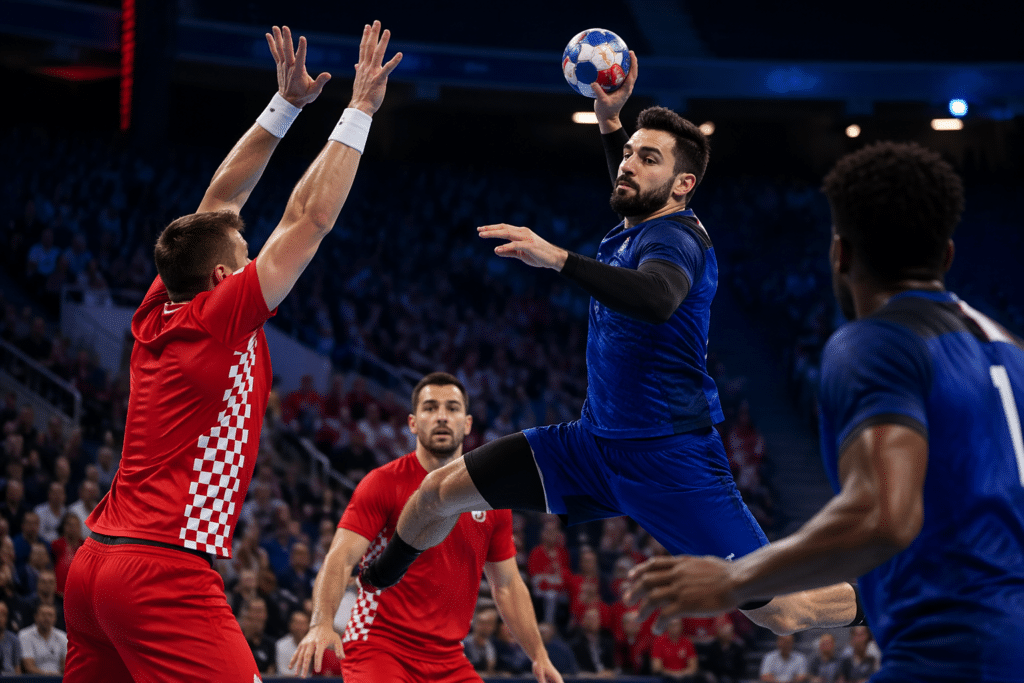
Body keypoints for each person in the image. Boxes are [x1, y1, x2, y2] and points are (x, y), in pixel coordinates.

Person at [361, 52, 856, 638]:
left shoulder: (676, 240)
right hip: (591, 446)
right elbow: (628, 187)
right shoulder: (639, 219)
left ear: (683, 185)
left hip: (671, 462)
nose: (628, 166)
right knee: (438, 491)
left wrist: (558, 258)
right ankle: (376, 583)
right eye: (628, 155)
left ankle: (892, 591)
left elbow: (657, 299)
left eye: (649, 159)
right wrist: (609, 123)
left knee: (782, 614)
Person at [62, 22, 402, 683]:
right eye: (244, 254)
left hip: (93, 566)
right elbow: (308, 219)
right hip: (162, 572)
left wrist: (286, 106)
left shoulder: (160, 304)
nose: (251, 253)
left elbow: (220, 201)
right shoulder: (223, 315)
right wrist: (358, 108)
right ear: (224, 280)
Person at [623, 141, 1024, 682]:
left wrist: (735, 580)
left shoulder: (875, 342)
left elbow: (882, 516)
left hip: (951, 657)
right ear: (947, 255)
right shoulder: (1010, 349)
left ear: (841, 254)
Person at [290, 372, 562, 682]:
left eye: (453, 408)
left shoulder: (491, 501)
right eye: (430, 408)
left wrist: (539, 655)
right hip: (379, 647)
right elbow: (340, 558)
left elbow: (508, 584)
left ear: (468, 423)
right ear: (413, 423)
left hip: (449, 658)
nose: (442, 417)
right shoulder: (382, 483)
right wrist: (321, 623)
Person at [650, 616, 703, 682]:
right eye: (672, 625)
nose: (675, 628)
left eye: (677, 625)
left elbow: (693, 667)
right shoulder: (658, 641)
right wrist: (673, 674)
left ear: (681, 626)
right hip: (665, 678)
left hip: (684, 678)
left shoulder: (687, 642)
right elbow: (656, 667)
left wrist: (681, 673)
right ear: (667, 626)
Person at [19, 603, 66, 675]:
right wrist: (50, 676)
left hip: (58, 679)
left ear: (55, 618)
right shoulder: (24, 635)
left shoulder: (63, 636)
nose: (47, 618)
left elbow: (65, 665)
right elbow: (28, 667)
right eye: (43, 615)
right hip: (35, 679)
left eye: (50, 615)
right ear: (36, 617)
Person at [276, 610, 311, 677]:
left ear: (308, 626)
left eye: (303, 624)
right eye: (297, 623)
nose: (300, 627)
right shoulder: (281, 645)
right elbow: (282, 672)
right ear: (290, 625)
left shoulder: (313, 645)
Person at [0, 601, 21, 675]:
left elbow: (17, 667)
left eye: (3, 615)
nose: (1, 618)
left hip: (9, 678)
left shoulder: (14, 639)